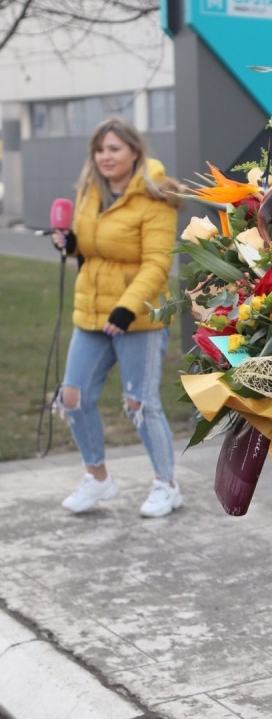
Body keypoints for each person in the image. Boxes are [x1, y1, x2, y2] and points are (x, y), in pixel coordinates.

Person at [52, 116, 183, 518]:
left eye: (114, 149)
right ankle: (98, 478)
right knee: (72, 399)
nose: (105, 157)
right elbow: (92, 247)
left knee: (138, 403)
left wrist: (128, 308)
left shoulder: (156, 195)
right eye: (100, 149)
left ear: (134, 152)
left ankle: (167, 485)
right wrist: (72, 244)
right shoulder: (90, 188)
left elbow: (157, 264)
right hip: (91, 311)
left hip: (138, 315)